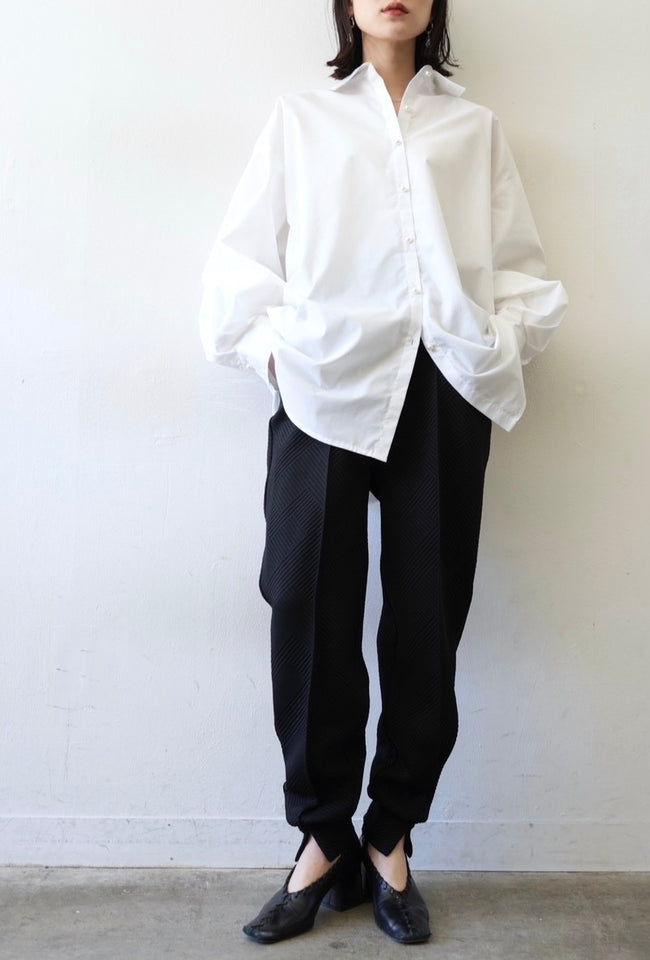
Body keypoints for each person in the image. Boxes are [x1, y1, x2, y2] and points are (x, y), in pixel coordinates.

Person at [199, 0, 568, 946]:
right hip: (324, 385)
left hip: (443, 386)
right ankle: (323, 840)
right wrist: (276, 354)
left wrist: (497, 343)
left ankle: (392, 836)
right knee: (306, 601)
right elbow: (241, 261)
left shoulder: (474, 129)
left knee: (427, 614)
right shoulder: (301, 119)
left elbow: (520, 269)